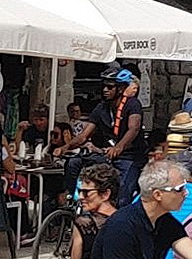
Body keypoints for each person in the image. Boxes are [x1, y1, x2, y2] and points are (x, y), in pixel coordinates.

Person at [89, 160, 192, 259]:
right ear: (157, 194)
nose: (186, 193)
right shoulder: (122, 227)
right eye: (180, 189)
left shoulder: (164, 221)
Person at [60, 70, 148, 207]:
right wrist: (65, 147)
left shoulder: (132, 104)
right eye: (104, 86)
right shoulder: (101, 107)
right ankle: (75, 200)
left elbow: (134, 128)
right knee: (74, 163)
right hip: (107, 156)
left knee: (122, 197)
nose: (105, 90)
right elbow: (84, 135)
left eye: (110, 87)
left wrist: (119, 147)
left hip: (129, 158)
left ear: (120, 89)